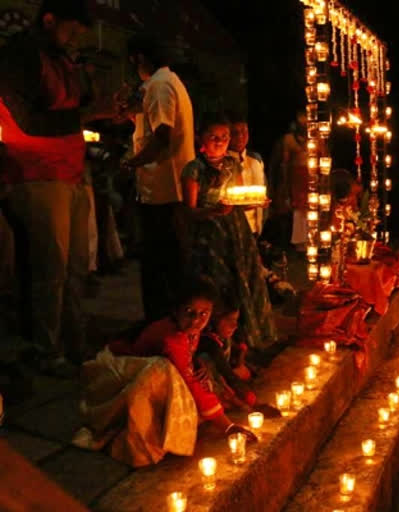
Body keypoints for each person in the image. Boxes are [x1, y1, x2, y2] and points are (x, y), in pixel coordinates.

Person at [0, 0, 116, 376]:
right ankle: (46, 349)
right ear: (50, 20)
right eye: (71, 31)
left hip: (70, 172)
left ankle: (75, 344)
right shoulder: (18, 56)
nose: (74, 39)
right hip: (36, 175)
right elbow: (30, 121)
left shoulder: (62, 58)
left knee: (76, 267)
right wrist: (88, 113)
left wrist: (106, 107)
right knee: (52, 268)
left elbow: (76, 106)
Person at [76, 280, 255, 467]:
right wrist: (228, 426)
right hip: (119, 372)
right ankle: (142, 438)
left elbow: (187, 356)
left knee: (201, 379)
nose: (196, 320)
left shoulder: (190, 330)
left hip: (153, 368)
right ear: (176, 310)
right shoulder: (171, 337)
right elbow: (185, 374)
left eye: (204, 314)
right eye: (189, 312)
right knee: (167, 372)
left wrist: (195, 362)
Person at [181, 114, 277, 352]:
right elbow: (189, 211)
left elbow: (237, 198)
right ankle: (217, 347)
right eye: (214, 137)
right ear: (200, 139)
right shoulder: (193, 170)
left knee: (246, 281)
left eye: (225, 137)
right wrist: (214, 211)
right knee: (220, 289)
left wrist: (255, 203)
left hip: (237, 232)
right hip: (210, 238)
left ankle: (248, 342)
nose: (220, 142)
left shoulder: (232, 165)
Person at [121, 33, 195, 322]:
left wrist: (131, 163)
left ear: (138, 58)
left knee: (161, 265)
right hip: (165, 191)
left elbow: (162, 135)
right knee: (167, 263)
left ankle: (163, 326)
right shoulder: (165, 83)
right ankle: (168, 325)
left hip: (164, 192)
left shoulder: (160, 85)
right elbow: (155, 127)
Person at [196, 295, 280, 416]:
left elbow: (239, 348)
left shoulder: (223, 337)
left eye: (236, 320)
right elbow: (228, 375)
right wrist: (255, 404)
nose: (234, 325)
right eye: (229, 320)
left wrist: (241, 354)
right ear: (214, 319)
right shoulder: (209, 343)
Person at [268, 109, 308, 252]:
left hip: (310, 177)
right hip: (295, 177)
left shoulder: (316, 137)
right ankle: (298, 243)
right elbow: (284, 162)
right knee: (298, 211)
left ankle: (311, 241)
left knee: (311, 210)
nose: (305, 126)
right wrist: (284, 183)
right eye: (302, 123)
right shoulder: (289, 139)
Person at [228, 112, 267, 235]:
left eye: (244, 132)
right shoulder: (222, 162)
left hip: (254, 228)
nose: (240, 137)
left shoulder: (255, 160)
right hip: (232, 228)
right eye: (235, 133)